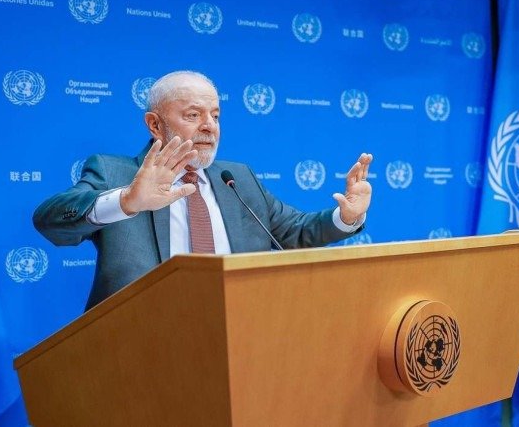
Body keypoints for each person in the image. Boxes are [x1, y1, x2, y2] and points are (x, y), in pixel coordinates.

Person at [33, 70, 373, 310]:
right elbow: (50, 221)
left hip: (238, 334)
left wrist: (346, 217)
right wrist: (127, 201)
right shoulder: (116, 173)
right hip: (141, 340)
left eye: (215, 115)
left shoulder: (237, 178)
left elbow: (294, 231)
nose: (209, 126)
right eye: (193, 115)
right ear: (155, 124)